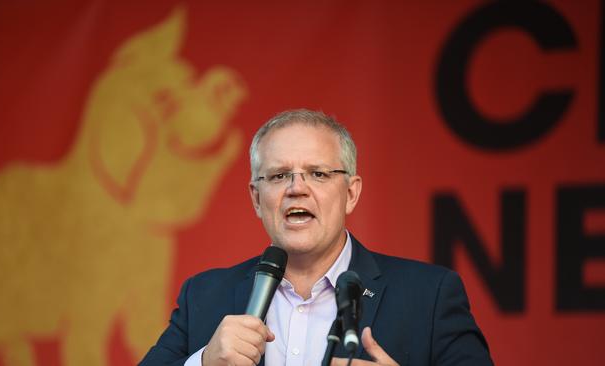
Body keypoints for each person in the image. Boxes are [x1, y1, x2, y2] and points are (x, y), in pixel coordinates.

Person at [140, 109, 493, 366]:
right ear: (256, 199)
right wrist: (202, 363)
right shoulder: (204, 295)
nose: (297, 188)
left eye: (318, 173)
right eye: (278, 176)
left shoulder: (429, 296)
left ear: (351, 194)